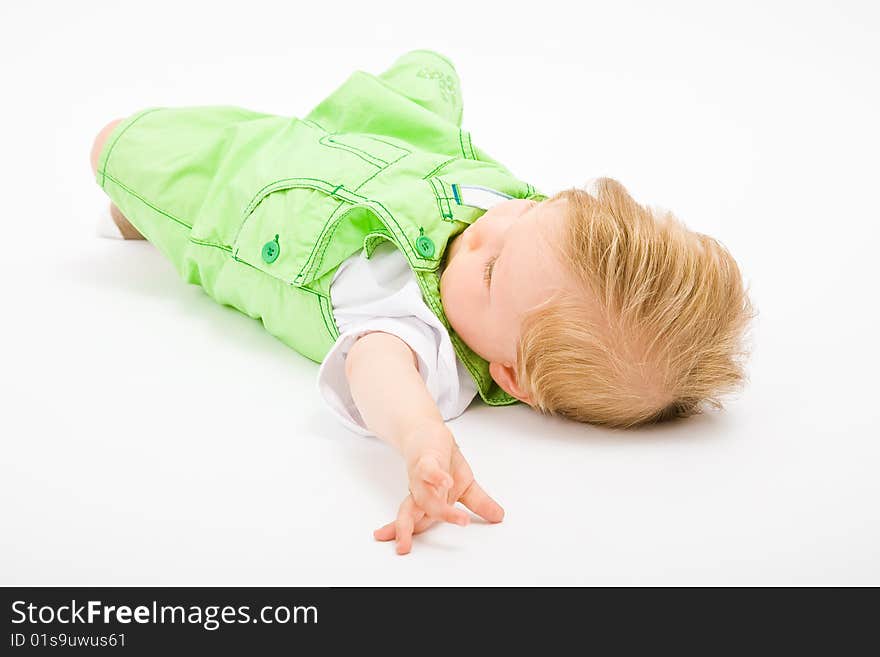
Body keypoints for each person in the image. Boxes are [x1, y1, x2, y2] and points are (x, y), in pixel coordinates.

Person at [90, 49, 755, 554]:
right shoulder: (549, 251)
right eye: (529, 210)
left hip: (249, 190)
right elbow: (512, 219)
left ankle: (144, 218)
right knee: (429, 71)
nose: (488, 229)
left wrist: (419, 437)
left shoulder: (428, 342)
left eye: (491, 271)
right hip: (386, 147)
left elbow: (375, 370)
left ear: (512, 375)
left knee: (117, 143)